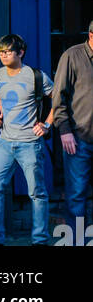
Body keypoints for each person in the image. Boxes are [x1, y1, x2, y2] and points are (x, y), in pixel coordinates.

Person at [0, 33, 52, 247]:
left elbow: (59, 98)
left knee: (36, 193)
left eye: (8, 51)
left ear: (20, 52)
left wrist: (47, 124)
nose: (3, 55)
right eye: (0, 52)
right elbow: (1, 101)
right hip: (4, 143)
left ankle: (40, 240)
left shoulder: (35, 76)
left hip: (30, 143)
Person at [51, 19, 93, 226]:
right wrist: (64, 130)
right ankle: (77, 240)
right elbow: (59, 97)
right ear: (91, 36)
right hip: (79, 137)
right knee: (77, 195)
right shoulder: (72, 56)